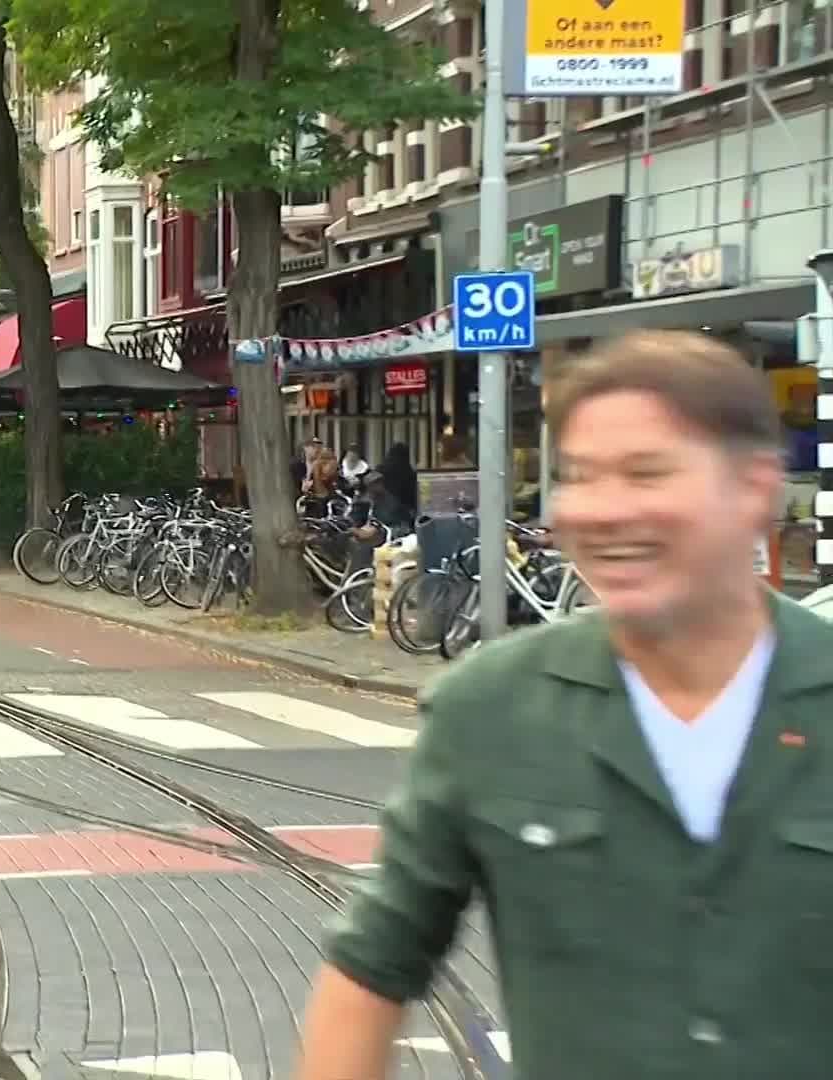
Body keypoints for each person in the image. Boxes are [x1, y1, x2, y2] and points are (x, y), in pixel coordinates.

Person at [294, 330, 833, 1078]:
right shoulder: (492, 711)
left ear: (755, 490)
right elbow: (369, 969)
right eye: (580, 476)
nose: (605, 512)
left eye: (647, 474)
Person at [376, 441, 418, 522]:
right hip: (403, 515)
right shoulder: (409, 474)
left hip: (381, 513)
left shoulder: (380, 470)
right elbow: (413, 498)